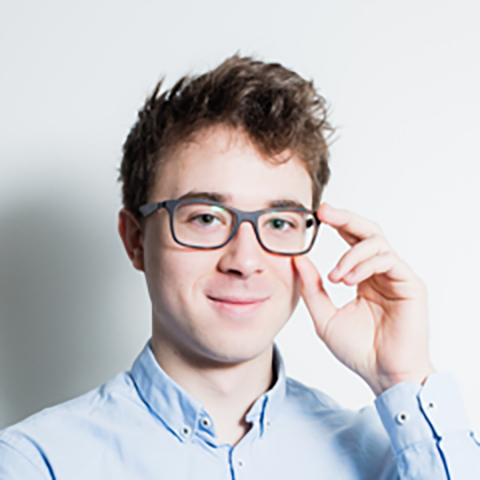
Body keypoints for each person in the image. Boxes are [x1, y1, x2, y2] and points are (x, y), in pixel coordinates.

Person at [0, 55, 479, 479]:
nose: (245, 261)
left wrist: (404, 376)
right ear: (136, 240)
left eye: (279, 222)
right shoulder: (37, 464)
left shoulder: (395, 458)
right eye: (206, 218)